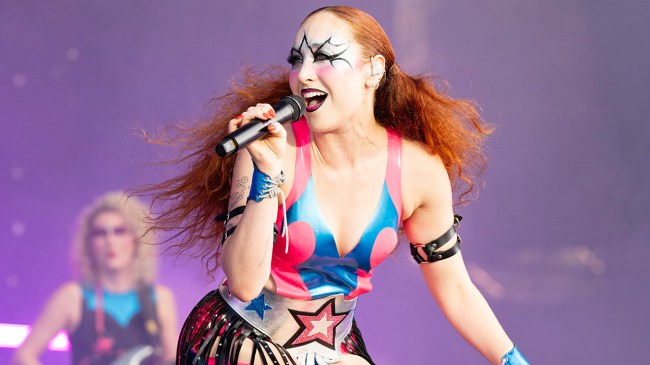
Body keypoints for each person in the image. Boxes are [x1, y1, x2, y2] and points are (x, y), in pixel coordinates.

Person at [141, 6, 530, 365]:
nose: (304, 74)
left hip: (332, 347)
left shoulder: (418, 170)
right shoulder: (276, 149)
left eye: (324, 57)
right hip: (242, 340)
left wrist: (513, 360)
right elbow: (244, 283)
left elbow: (456, 289)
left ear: (373, 71)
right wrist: (266, 173)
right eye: (297, 60)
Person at [12, 191, 178, 365]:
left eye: (119, 231)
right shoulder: (72, 297)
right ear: (88, 243)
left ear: (137, 239)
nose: (110, 240)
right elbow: (23, 356)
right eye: (100, 233)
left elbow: (171, 358)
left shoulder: (160, 298)